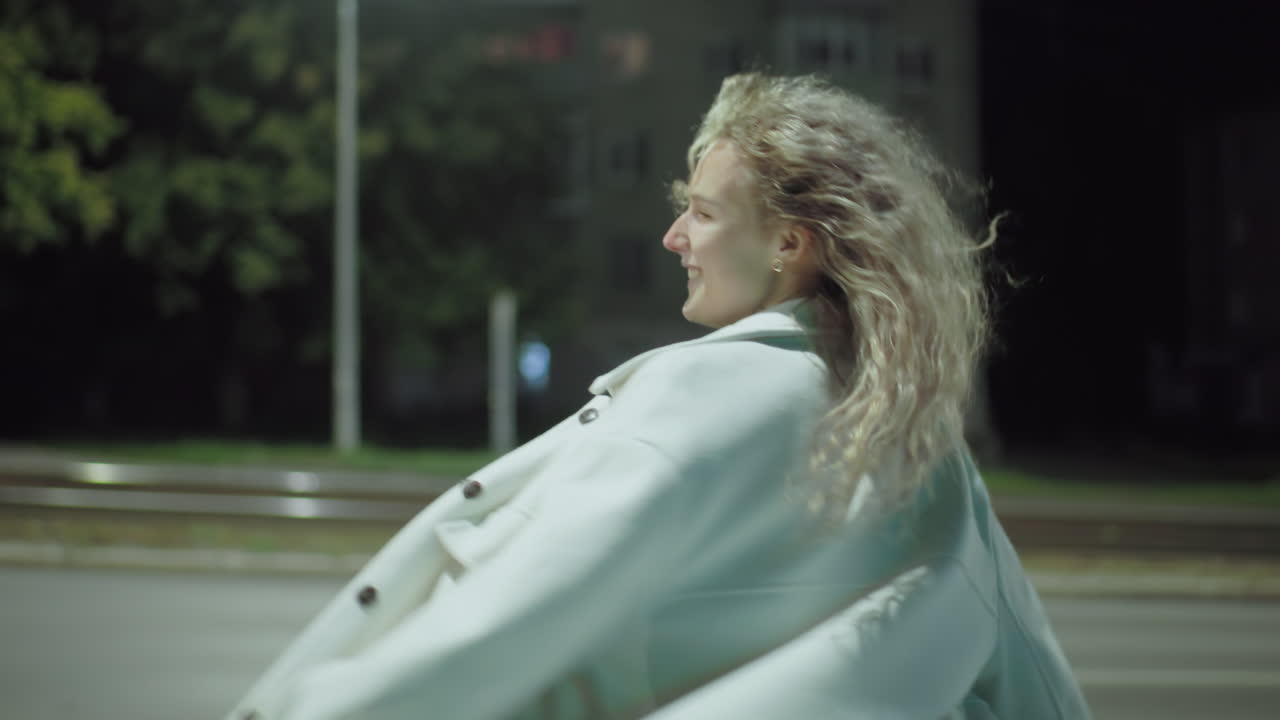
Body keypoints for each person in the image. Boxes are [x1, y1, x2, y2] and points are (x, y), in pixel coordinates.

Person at [227, 73, 1090, 720]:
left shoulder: (697, 397)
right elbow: (1034, 685)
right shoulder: (923, 451)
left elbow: (500, 628)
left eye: (703, 214)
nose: (675, 235)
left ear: (790, 242)